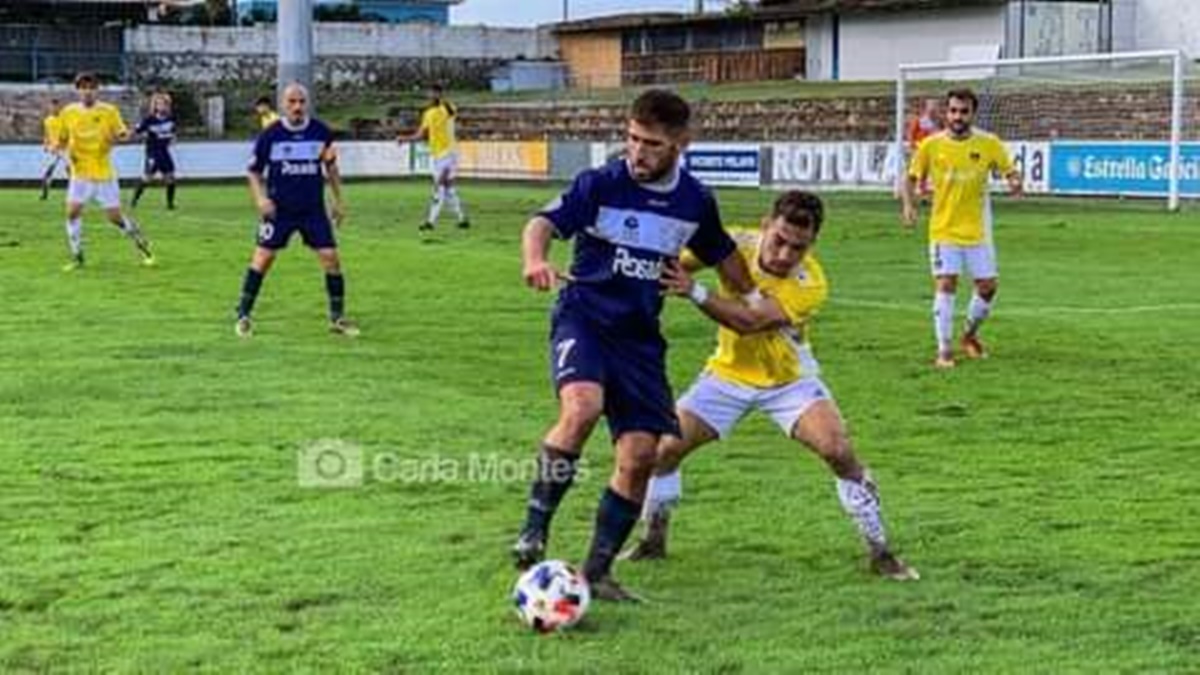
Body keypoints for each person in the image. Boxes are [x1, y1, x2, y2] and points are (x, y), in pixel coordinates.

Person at [509, 89, 756, 602]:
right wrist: (535, 259)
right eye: (632, 139)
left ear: (681, 143)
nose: (637, 152)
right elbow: (542, 223)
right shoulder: (601, 183)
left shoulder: (695, 201)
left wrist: (757, 297)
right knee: (581, 408)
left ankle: (597, 573)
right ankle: (533, 529)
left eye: (651, 144)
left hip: (640, 340)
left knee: (641, 455)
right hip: (585, 318)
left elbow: (725, 256)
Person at [622, 191, 918, 582]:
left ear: (812, 244)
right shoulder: (733, 244)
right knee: (663, 451)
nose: (785, 254)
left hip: (789, 381)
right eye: (779, 240)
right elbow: (671, 266)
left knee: (838, 451)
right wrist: (623, 284)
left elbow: (750, 321)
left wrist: (693, 290)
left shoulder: (810, 281)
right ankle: (653, 540)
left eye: (798, 247)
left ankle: (880, 552)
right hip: (727, 375)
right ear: (765, 225)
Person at [901, 88, 1022, 369]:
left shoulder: (988, 143)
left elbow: (1010, 170)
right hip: (943, 229)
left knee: (988, 288)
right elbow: (910, 178)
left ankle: (969, 335)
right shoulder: (931, 145)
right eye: (953, 110)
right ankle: (944, 350)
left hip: (978, 231)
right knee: (946, 282)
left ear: (973, 114)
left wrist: (1015, 181)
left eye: (964, 111)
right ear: (946, 112)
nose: (957, 116)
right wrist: (908, 206)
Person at [234, 82, 355, 338]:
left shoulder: (321, 132)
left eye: (301, 102)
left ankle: (338, 318)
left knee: (331, 258)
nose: (297, 107)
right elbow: (253, 172)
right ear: (283, 104)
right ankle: (243, 315)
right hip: (279, 210)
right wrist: (260, 199)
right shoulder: (270, 135)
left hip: (312, 209)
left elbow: (331, 167)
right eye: (292, 102)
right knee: (263, 259)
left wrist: (338, 200)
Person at [55, 72, 154, 271]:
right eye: (83, 88)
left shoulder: (109, 111)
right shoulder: (68, 113)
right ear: (77, 90)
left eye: (91, 88)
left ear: (97, 90)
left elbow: (122, 133)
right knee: (72, 213)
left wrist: (120, 136)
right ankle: (77, 256)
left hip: (103, 174)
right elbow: (61, 142)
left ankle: (142, 244)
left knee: (114, 218)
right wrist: (66, 159)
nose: (87, 92)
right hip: (80, 174)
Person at [397, 83, 468, 231]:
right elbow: (421, 134)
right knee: (448, 188)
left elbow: (452, 113)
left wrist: (442, 100)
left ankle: (430, 222)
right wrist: (405, 139)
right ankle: (462, 219)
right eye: (431, 93)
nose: (432, 95)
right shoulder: (428, 113)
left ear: (440, 94)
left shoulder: (448, 108)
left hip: (448, 153)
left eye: (436, 93)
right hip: (437, 154)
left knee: (439, 187)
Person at [130, 92, 178, 210]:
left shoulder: (171, 118)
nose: (162, 107)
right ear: (155, 106)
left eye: (164, 104)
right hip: (153, 152)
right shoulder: (149, 119)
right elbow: (136, 130)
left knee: (170, 177)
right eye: (159, 104)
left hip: (164, 151)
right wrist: (132, 134)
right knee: (148, 178)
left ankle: (170, 204)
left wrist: (172, 138)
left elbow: (173, 131)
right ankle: (134, 200)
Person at [906, 98, 942, 197]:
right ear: (927, 108)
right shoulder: (920, 120)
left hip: (934, 151)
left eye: (935, 106)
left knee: (933, 172)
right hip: (920, 151)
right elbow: (911, 134)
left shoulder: (939, 121)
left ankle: (928, 193)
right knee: (917, 172)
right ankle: (915, 191)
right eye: (932, 106)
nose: (934, 109)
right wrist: (913, 145)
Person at [39, 98, 66, 201]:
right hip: (52, 150)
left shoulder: (64, 119)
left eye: (56, 106)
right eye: (52, 106)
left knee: (71, 171)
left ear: (59, 107)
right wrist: (45, 145)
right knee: (48, 171)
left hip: (65, 149)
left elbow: (68, 133)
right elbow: (46, 134)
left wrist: (62, 142)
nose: (54, 108)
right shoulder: (47, 120)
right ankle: (44, 193)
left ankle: (76, 193)